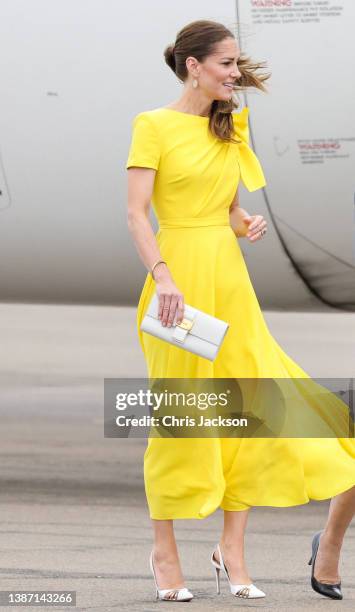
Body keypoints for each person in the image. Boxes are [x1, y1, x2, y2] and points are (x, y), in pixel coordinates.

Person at [126, 19, 355, 602]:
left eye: (236, 63)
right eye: (225, 63)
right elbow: (136, 214)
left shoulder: (231, 128)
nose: (235, 73)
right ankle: (165, 552)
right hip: (176, 284)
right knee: (180, 419)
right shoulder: (152, 125)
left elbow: (228, 208)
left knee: (250, 410)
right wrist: (164, 278)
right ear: (193, 65)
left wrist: (244, 223)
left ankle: (232, 551)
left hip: (229, 282)